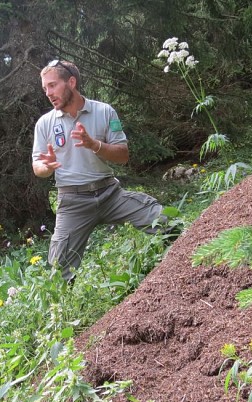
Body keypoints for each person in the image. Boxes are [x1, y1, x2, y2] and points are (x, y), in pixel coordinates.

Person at [32, 59, 165, 282]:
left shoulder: (105, 111)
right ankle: (66, 313)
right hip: (72, 203)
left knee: (166, 223)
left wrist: (95, 145)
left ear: (71, 82)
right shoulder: (44, 123)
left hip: (111, 195)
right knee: (58, 274)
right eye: (45, 88)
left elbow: (123, 155)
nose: (48, 93)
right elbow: (37, 167)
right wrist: (46, 166)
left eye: (53, 85)